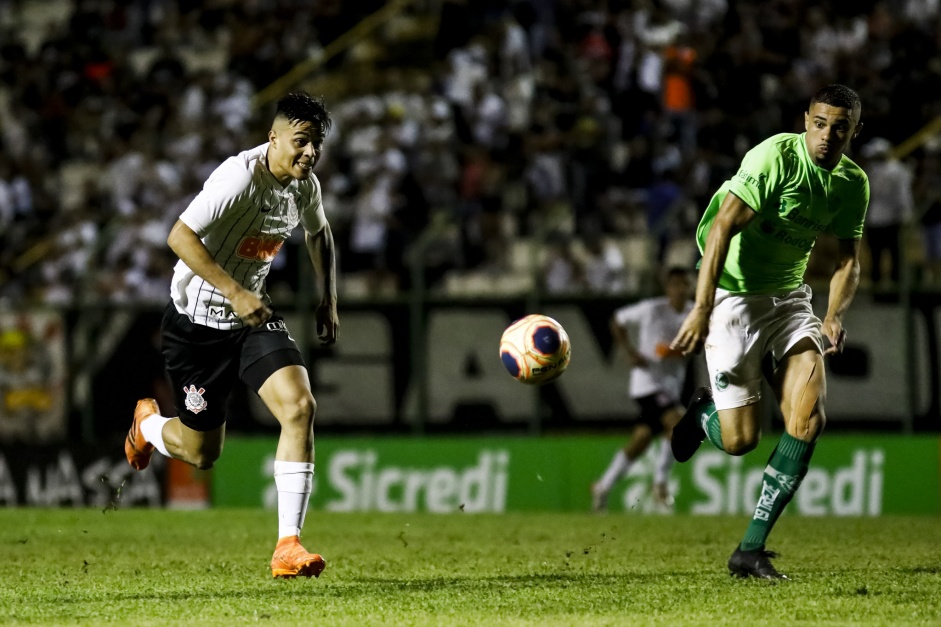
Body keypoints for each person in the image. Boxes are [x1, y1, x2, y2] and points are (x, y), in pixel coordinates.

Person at [124, 92, 339, 580]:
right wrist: (235, 291)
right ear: (274, 138)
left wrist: (327, 297)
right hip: (195, 325)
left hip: (252, 320)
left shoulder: (305, 187)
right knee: (203, 454)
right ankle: (149, 427)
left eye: (316, 146)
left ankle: (288, 545)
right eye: (300, 142)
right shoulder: (238, 177)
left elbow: (318, 232)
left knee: (300, 407)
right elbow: (179, 236)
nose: (309, 154)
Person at [669, 84, 869, 580]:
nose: (827, 135)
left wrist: (834, 314)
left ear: (854, 131)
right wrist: (700, 307)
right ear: (806, 120)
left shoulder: (852, 183)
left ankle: (750, 551)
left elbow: (848, 260)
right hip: (732, 298)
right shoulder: (773, 159)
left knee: (808, 417)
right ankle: (702, 416)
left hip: (789, 298)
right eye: (820, 123)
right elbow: (720, 228)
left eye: (839, 127)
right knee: (740, 442)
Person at [591, 267, 694, 512]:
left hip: (670, 387)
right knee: (677, 424)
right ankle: (660, 484)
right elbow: (617, 320)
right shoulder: (652, 309)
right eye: (675, 284)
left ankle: (602, 487)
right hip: (646, 384)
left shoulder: (693, 313)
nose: (679, 289)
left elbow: (697, 344)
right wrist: (629, 351)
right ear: (667, 288)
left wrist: (682, 350)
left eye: (683, 284)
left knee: (642, 440)